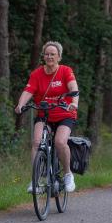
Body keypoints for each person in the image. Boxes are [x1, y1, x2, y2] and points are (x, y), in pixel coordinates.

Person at [15, 41, 79, 193]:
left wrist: (74, 103)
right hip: (44, 114)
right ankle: (35, 180)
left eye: (53, 54)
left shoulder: (65, 71)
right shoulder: (37, 74)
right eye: (47, 54)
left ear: (59, 57)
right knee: (36, 142)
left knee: (60, 142)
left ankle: (68, 174)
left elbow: (73, 88)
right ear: (43, 56)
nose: (49, 56)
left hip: (65, 113)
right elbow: (28, 91)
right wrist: (20, 104)